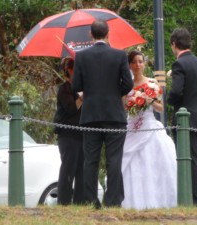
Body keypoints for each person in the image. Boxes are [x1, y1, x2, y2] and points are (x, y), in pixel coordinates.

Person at [72, 20, 133, 208]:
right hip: (114, 114)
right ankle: (113, 200)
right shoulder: (119, 55)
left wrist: (89, 92)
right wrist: (115, 94)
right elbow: (128, 84)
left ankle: (92, 201)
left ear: (91, 35)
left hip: (90, 115)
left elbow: (76, 86)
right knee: (114, 160)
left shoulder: (81, 57)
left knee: (91, 160)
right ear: (108, 34)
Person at [121, 50, 177, 210]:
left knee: (152, 164)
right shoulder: (126, 85)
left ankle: (157, 201)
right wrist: (132, 103)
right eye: (134, 62)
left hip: (149, 127)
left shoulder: (152, 83)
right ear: (130, 65)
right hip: (132, 127)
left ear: (144, 64)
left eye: (140, 61)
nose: (137, 65)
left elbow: (160, 108)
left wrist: (148, 99)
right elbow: (124, 106)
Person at [167, 28, 197, 207]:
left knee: (188, 159)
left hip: (184, 120)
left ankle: (195, 201)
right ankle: (196, 200)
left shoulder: (179, 64)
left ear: (174, 44)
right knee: (194, 158)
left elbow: (176, 92)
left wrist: (167, 99)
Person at [53, 57, 84, 205]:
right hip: (68, 134)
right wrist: (81, 98)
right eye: (77, 69)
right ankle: (63, 202)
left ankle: (80, 202)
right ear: (70, 70)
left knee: (81, 168)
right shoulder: (64, 89)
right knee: (68, 167)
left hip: (82, 133)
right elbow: (71, 109)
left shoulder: (80, 87)